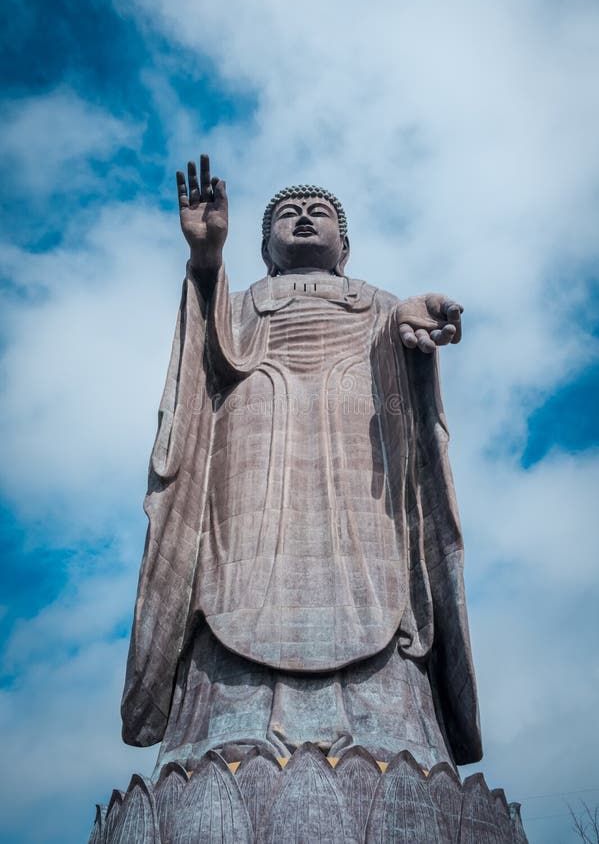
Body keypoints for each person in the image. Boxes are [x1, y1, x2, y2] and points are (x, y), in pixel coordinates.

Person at [121, 155, 482, 775]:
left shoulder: (375, 300)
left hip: (357, 441)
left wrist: (408, 321)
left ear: (345, 244)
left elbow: (400, 342)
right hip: (255, 431)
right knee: (234, 561)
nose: (306, 218)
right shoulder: (244, 299)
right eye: (289, 214)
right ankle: (221, 727)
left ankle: (394, 729)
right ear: (265, 246)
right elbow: (204, 364)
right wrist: (206, 260)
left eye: (320, 213)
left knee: (373, 552)